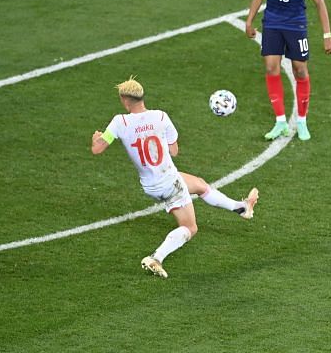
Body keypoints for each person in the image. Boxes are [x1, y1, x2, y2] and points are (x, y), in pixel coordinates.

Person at [91, 76, 259, 279]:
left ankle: (241, 208)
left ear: (125, 101)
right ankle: (156, 257)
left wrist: (96, 139)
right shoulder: (161, 117)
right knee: (190, 228)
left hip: (151, 183)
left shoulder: (120, 122)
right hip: (170, 182)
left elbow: (98, 148)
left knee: (200, 185)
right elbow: (174, 150)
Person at [245, 0, 331, 141]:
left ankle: (302, 121)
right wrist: (249, 21)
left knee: (300, 69)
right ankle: (280, 122)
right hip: (273, 23)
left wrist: (327, 34)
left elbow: (319, 3)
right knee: (270, 67)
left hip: (296, 25)